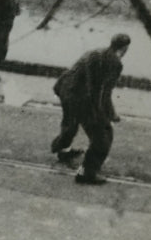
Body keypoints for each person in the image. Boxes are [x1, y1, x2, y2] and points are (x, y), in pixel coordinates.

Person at [50, 33, 131, 185]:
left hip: (64, 88)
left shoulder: (96, 52)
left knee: (71, 122)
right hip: (81, 97)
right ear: (125, 48)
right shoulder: (115, 63)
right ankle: (87, 173)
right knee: (103, 135)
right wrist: (109, 115)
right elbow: (103, 92)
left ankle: (62, 150)